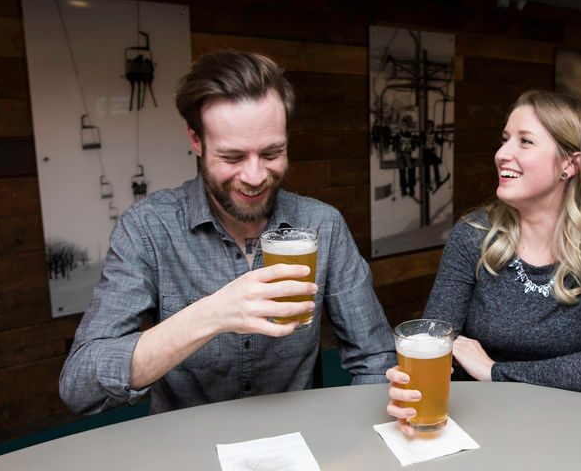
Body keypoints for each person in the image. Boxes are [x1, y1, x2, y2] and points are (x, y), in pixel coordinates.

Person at [60, 50, 396, 415]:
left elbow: (376, 357)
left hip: (297, 448)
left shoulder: (323, 224)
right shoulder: (147, 228)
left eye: (272, 153)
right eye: (232, 157)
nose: (254, 177)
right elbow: (80, 386)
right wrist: (211, 316)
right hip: (187, 451)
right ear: (196, 141)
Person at [386, 91, 581, 435]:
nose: (502, 154)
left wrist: (493, 371)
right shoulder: (473, 236)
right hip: (480, 422)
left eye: (525, 141)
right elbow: (436, 340)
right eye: (505, 139)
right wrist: (409, 390)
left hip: (570, 426)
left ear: (570, 164)